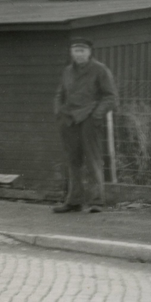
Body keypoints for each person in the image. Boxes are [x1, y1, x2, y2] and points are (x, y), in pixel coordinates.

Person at [52, 38, 117, 213]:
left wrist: (96, 115)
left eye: (82, 51)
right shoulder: (67, 71)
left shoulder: (100, 70)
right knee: (73, 161)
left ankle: (97, 202)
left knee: (92, 160)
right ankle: (74, 201)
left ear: (89, 52)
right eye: (75, 50)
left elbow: (110, 97)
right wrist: (59, 112)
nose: (78, 54)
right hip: (69, 120)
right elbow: (60, 94)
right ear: (71, 53)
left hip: (89, 119)